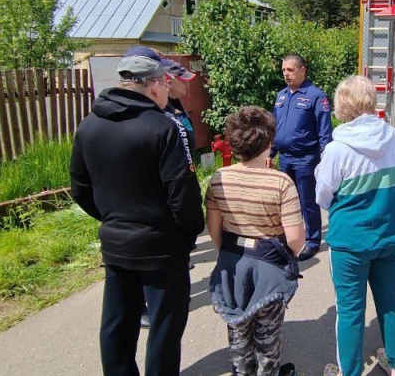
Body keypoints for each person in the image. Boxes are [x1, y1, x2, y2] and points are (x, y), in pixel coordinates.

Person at [70, 55, 205, 376]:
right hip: (162, 248)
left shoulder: (89, 125)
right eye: (165, 84)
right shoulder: (161, 127)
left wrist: (114, 220)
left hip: (116, 244)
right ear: (155, 85)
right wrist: (187, 235)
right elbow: (182, 194)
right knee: (164, 328)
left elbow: (79, 188)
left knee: (118, 324)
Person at [315, 76, 395, 376]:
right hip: (393, 235)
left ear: (342, 107)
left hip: (350, 243)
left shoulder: (337, 149)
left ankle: (351, 372)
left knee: (350, 313)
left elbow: (323, 196)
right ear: (372, 100)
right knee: (391, 300)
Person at [204, 106, 304, 376]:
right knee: (267, 336)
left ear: (234, 144)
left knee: (237, 331)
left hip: (232, 265)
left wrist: (227, 252)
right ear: (269, 144)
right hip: (269, 270)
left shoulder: (218, 179)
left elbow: (214, 229)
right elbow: (295, 239)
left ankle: (241, 371)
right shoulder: (281, 183)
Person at [122, 46, 200, 329]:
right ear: (162, 80)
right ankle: (147, 307)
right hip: (154, 222)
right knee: (162, 314)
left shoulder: (172, 109)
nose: (182, 85)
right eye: (178, 80)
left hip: (168, 212)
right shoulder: (158, 118)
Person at [272, 54, 333, 261]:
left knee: (308, 202)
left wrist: (326, 160)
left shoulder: (316, 96)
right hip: (285, 159)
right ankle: (290, 238)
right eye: (283, 71)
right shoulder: (281, 96)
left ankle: (313, 241)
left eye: (290, 70)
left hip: (306, 159)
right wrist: (270, 153)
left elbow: (325, 133)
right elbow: (276, 129)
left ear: (302, 70)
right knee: (286, 202)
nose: (286, 74)